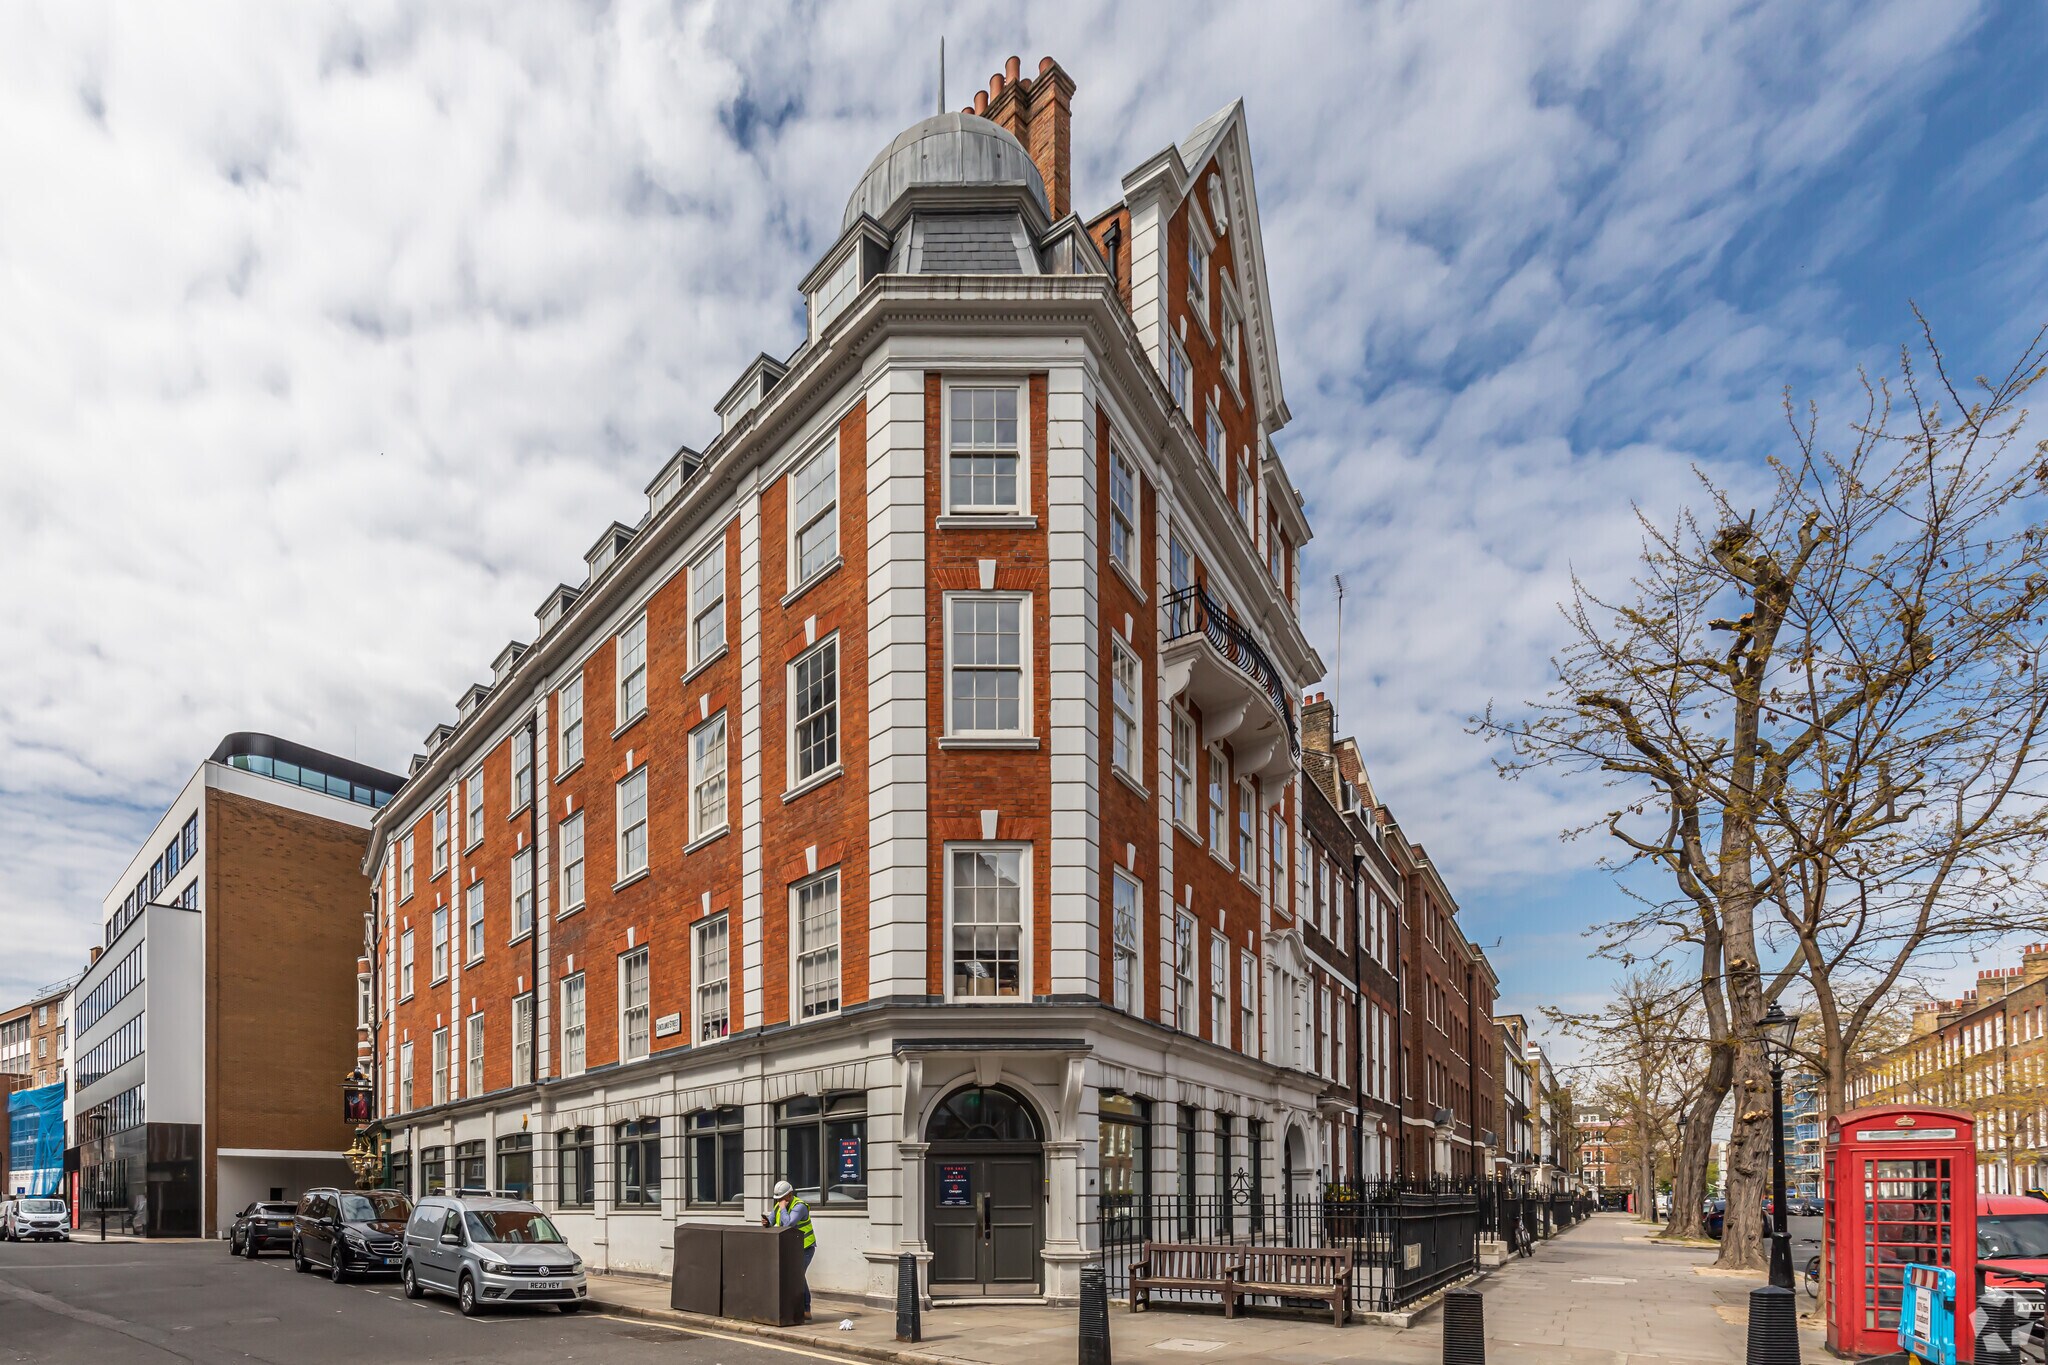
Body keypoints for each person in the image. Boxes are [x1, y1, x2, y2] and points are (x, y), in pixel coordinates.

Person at [763, 1180, 816, 1321]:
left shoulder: (799, 1206)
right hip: (790, 1248)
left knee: (798, 1276)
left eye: (781, 1198)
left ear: (789, 1195)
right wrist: (767, 1222)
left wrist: (782, 1208)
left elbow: (788, 1223)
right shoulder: (780, 1206)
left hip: (805, 1248)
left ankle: (806, 1309)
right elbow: (772, 1221)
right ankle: (796, 1309)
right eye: (777, 1199)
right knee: (794, 1277)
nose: (779, 1201)